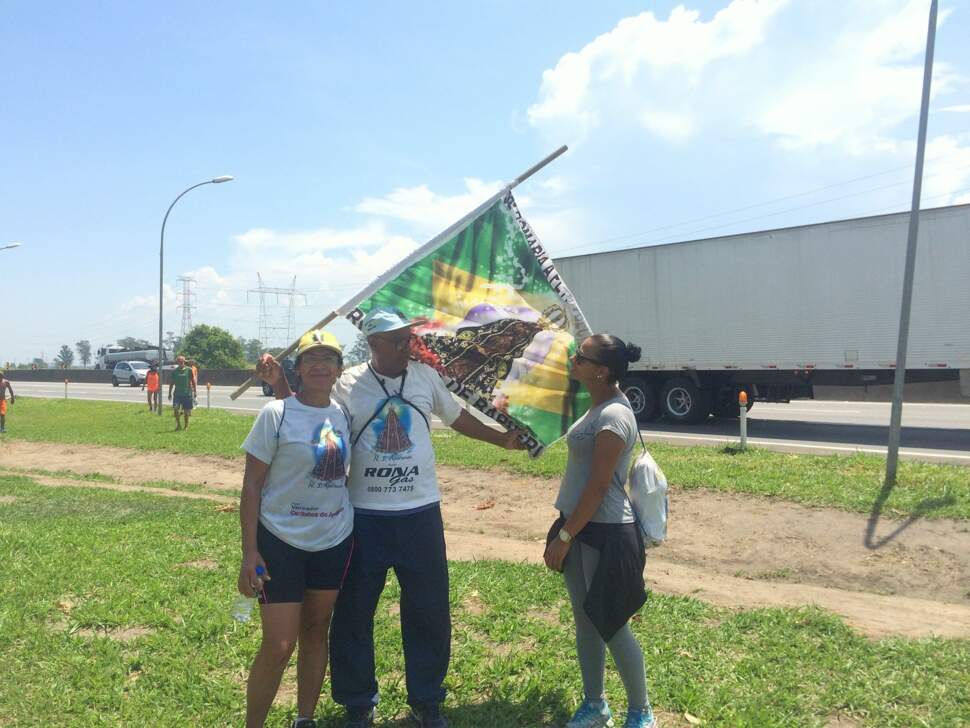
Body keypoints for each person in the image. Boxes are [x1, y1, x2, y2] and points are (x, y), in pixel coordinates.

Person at [260, 307, 524, 728]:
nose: (407, 346)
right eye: (396, 340)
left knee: (428, 609)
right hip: (364, 518)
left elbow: (457, 418)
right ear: (372, 344)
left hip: (420, 515)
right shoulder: (348, 383)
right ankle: (357, 701)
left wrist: (501, 440)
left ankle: (427, 699)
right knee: (353, 612)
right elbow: (306, 413)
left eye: (407, 338)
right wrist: (279, 385)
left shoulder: (425, 376)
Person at [543, 334, 657, 728]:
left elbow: (597, 488)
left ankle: (641, 711)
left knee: (612, 625)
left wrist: (564, 537)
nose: (573, 359)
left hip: (605, 532)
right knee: (586, 621)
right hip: (580, 526)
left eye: (581, 357)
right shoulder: (597, 405)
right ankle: (596, 704)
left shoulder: (614, 416)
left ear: (601, 371)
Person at [242, 329, 354, 728]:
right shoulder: (275, 415)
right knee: (279, 644)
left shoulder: (344, 414)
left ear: (339, 369)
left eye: (329, 359)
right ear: (299, 368)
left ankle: (304, 718)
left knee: (316, 631)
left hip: (333, 540)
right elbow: (252, 486)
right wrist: (250, 552)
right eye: (312, 359)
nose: (320, 366)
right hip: (280, 541)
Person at [168, 355, 196, 430]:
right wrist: (169, 393)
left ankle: (186, 426)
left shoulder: (189, 370)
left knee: (186, 411)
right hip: (177, 394)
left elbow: (193, 381)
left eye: (182, 361)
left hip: (187, 393)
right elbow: (171, 383)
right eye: (179, 361)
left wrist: (195, 391)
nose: (180, 362)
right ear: (177, 362)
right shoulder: (174, 371)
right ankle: (178, 425)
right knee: (176, 409)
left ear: (184, 361)